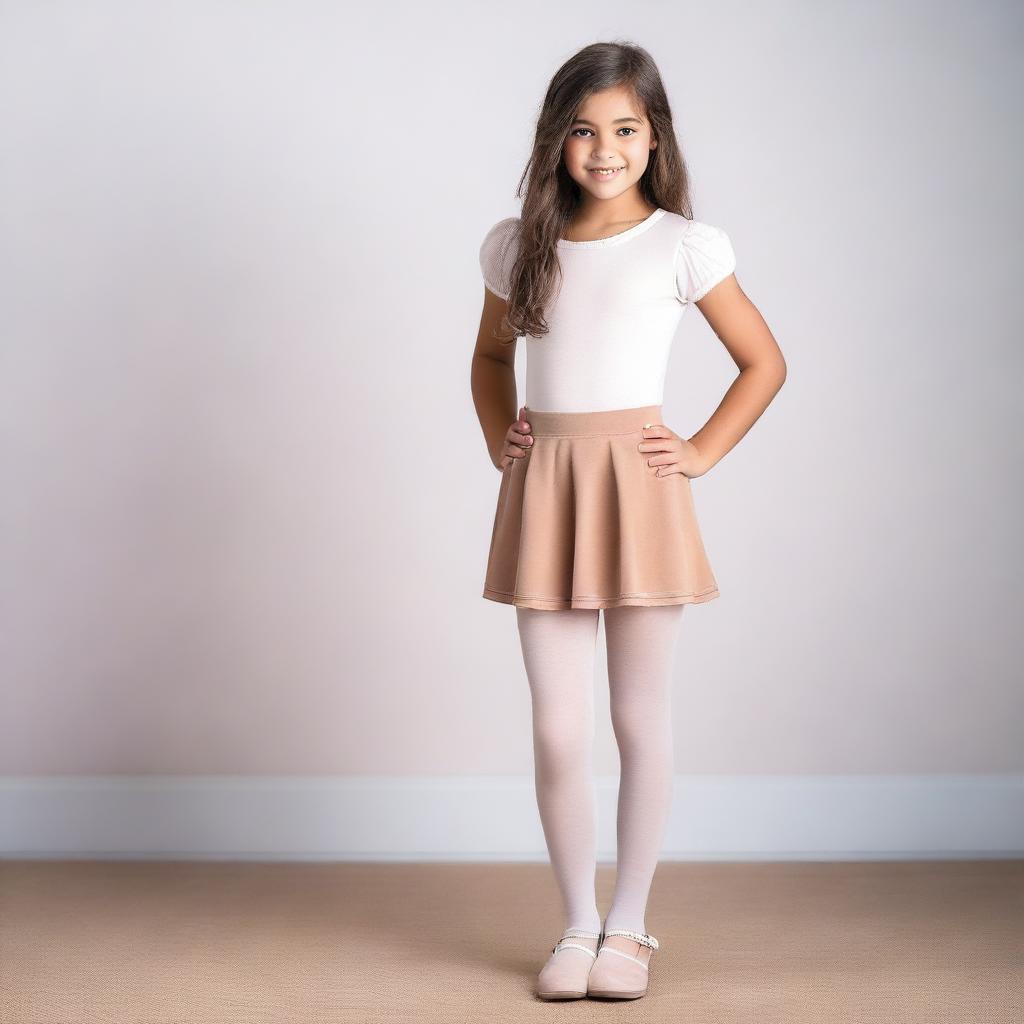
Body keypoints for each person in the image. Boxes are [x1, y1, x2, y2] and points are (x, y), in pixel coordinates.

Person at [470, 41, 786, 1002]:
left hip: (640, 493)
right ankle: (575, 922)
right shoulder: (515, 246)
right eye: (581, 129)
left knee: (637, 718)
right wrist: (501, 441)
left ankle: (630, 929)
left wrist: (695, 452)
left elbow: (762, 363)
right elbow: (489, 361)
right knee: (559, 728)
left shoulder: (684, 245)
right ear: (555, 139)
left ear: (654, 139)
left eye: (623, 130)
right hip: (549, 490)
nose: (602, 149)